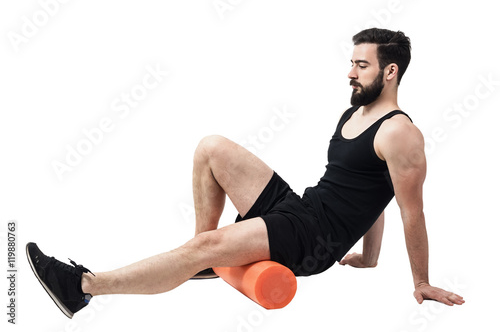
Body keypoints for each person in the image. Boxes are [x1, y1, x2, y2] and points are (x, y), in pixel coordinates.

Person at [26, 28, 465, 319]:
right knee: (211, 147)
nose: (350, 72)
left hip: (312, 241)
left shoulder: (401, 134)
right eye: (351, 62)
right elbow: (369, 192)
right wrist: (369, 258)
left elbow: (411, 211)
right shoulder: (356, 114)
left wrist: (421, 282)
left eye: (362, 65)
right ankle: (205, 256)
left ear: (391, 71)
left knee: (208, 245)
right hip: (302, 208)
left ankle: (81, 287)